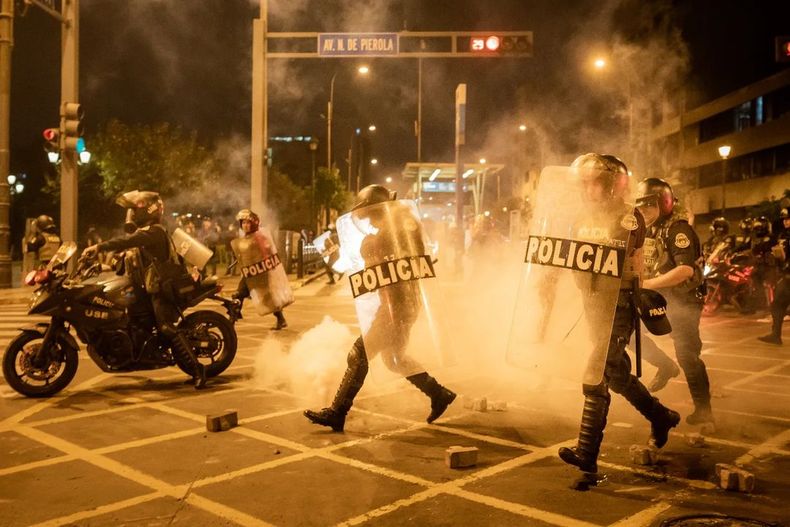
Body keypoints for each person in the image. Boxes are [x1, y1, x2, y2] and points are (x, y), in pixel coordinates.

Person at [557, 154, 680, 480]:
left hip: (619, 306)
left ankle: (587, 454)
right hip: (592, 305)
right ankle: (661, 416)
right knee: (618, 373)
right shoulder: (581, 217)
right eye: (583, 182)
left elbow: (636, 265)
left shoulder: (629, 217)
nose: (587, 188)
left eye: (593, 181)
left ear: (612, 184)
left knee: (596, 372)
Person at [304, 184, 456, 432]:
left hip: (396, 307)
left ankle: (337, 412)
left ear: (379, 212)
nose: (370, 223)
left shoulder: (390, 234)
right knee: (394, 359)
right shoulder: (401, 229)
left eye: (371, 217)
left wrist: (356, 248)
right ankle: (439, 394)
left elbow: (375, 261)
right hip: (399, 304)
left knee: (358, 355)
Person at [83, 190, 206, 389]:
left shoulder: (154, 232)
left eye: (133, 211)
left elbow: (126, 241)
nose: (130, 215)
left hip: (162, 289)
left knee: (166, 327)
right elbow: (126, 259)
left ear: (149, 210)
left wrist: (99, 247)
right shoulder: (144, 234)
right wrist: (102, 266)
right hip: (146, 288)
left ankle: (197, 369)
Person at [635, 177, 714, 429]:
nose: (644, 211)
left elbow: (684, 271)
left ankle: (704, 411)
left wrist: (646, 284)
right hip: (660, 298)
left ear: (664, 203)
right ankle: (665, 366)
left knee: (687, 355)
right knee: (628, 334)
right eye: (641, 206)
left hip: (684, 301)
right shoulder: (648, 228)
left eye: (649, 205)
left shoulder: (678, 230)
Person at [230, 209, 292, 330]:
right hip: (250, 273)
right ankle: (230, 322)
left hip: (261, 273)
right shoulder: (246, 238)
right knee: (240, 295)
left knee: (267, 297)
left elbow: (266, 253)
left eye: (248, 223)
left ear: (253, 224)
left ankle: (230, 323)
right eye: (243, 223)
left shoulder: (259, 237)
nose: (245, 225)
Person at [758, 208, 790, 345]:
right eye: (784, 219)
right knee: (777, 304)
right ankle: (775, 335)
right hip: (786, 274)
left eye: (788, 219)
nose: (786, 222)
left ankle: (775, 335)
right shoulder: (784, 235)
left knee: (778, 304)